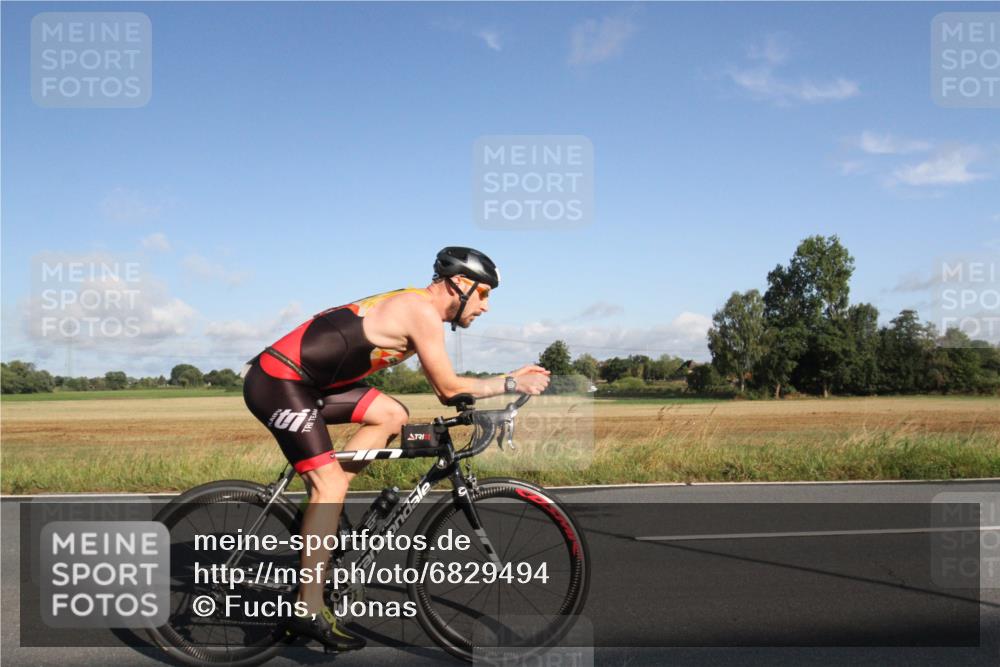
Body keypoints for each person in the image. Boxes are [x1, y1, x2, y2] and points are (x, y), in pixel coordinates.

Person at [242, 246, 551, 651]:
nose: (486, 306)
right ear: (460, 284)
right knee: (330, 486)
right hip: (278, 381)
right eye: (485, 294)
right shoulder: (419, 310)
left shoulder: (417, 305)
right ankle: (308, 608)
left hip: (308, 384)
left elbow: (450, 391)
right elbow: (448, 388)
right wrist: (510, 382)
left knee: (391, 414)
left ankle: (317, 511)